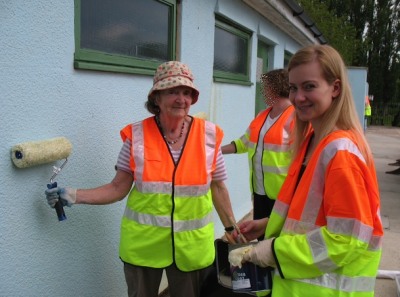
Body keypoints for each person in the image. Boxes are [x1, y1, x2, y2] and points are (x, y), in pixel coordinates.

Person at [45, 61, 238, 297]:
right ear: (156, 98)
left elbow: (218, 187)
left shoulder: (208, 136)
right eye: (173, 91)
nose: (181, 99)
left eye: (187, 93)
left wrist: (231, 227)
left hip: (192, 247)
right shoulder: (136, 137)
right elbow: (117, 188)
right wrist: (73, 195)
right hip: (143, 246)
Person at [229, 45, 383, 296]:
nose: (298, 97)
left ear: (334, 88)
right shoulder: (312, 140)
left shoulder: (340, 152)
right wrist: (268, 226)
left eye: (309, 86)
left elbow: (347, 240)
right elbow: (314, 215)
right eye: (293, 87)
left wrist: (272, 250)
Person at [221, 69, 294, 240]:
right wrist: (215, 150)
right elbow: (244, 143)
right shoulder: (262, 115)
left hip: (282, 195)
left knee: (279, 239)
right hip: (259, 192)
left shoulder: (295, 118)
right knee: (262, 237)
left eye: (265, 87)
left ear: (275, 88)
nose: (263, 92)